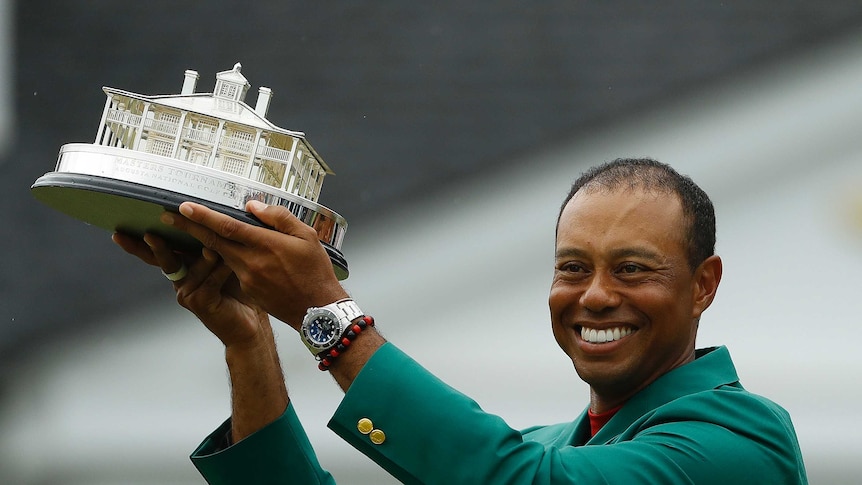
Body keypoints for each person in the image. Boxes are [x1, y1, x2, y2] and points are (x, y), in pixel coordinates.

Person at [113, 158, 808, 484]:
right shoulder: (544, 449)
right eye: (571, 267)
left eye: (632, 268)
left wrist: (328, 317)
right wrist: (249, 339)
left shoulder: (744, 445)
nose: (594, 296)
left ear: (702, 285)